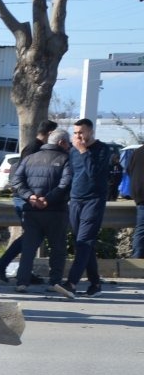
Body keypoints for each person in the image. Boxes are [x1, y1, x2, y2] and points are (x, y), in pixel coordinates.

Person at [0, 120, 59, 283]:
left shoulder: (33, 147)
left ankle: (18, 269)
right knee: (32, 236)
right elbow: (27, 174)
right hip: (26, 198)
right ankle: (8, 267)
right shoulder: (34, 148)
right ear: (49, 133)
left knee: (32, 236)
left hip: (27, 197)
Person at [10, 128, 73, 298]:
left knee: (28, 248)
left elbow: (16, 181)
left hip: (31, 211)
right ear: (61, 143)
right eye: (68, 143)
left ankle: (22, 282)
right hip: (56, 211)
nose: (70, 147)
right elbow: (65, 184)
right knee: (57, 248)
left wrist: (30, 197)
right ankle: (55, 282)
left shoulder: (30, 158)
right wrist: (48, 199)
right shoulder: (65, 159)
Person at [55, 118, 113, 298]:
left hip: (94, 200)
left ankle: (71, 283)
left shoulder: (103, 150)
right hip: (76, 200)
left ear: (91, 132)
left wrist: (83, 151)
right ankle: (95, 284)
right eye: (75, 133)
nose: (78, 136)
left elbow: (94, 174)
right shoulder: (73, 152)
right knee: (83, 244)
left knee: (84, 241)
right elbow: (72, 175)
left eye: (81, 132)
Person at [129, 142, 144, 258]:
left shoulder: (137, 152)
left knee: (141, 230)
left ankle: (136, 259)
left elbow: (129, 170)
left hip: (138, 195)